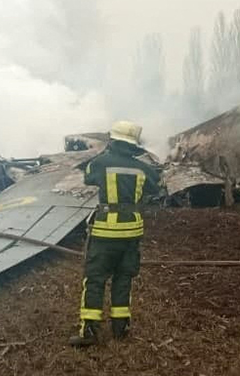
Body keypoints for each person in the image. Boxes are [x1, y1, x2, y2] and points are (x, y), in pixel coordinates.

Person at [69, 120, 161, 348]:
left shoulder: (100, 163)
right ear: (133, 145)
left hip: (105, 232)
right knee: (123, 279)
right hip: (132, 233)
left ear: (113, 140)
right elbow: (155, 186)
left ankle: (89, 331)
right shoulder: (145, 169)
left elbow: (87, 176)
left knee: (96, 279)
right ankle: (121, 328)